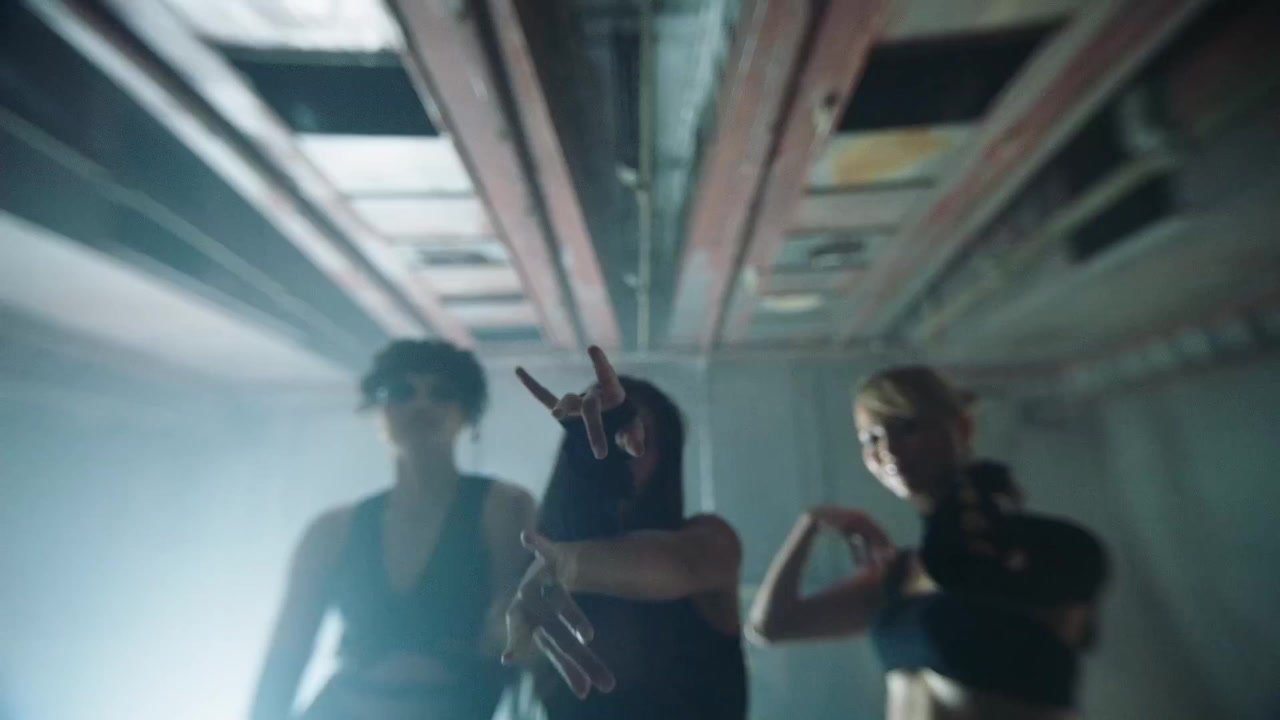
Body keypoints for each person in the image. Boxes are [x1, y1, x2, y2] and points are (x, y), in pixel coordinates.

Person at [749, 366, 1108, 719]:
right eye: (871, 438)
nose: (888, 449)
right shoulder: (898, 575)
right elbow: (771, 626)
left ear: (962, 428)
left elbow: (1057, 645)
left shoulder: (1039, 550)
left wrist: (970, 495)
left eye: (906, 427)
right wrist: (811, 524)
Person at [249, 340, 536, 720]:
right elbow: (287, 654)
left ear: (466, 411)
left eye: (441, 393)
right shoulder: (331, 531)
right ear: (379, 408)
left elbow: (517, 629)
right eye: (402, 392)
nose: (421, 404)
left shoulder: (503, 507)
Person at [501, 347, 747, 720]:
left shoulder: (710, 542)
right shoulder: (533, 571)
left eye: (636, 438)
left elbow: (677, 564)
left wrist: (569, 565)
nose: (618, 450)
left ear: (664, 456)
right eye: (598, 435)